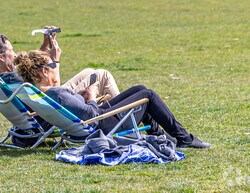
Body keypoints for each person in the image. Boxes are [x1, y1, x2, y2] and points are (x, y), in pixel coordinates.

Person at [14, 50, 210, 149]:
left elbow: (77, 110)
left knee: (140, 89)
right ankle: (184, 139)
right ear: (45, 71)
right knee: (148, 95)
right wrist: (90, 97)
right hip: (100, 124)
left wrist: (81, 97)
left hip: (95, 119)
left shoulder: (40, 92)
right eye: (52, 64)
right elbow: (91, 114)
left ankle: (159, 135)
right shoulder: (56, 93)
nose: (55, 67)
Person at [0, 31, 119, 100]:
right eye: (11, 50)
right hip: (57, 108)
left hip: (45, 105)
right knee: (102, 75)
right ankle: (123, 115)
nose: (15, 53)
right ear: (1, 56)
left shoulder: (3, 79)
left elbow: (33, 70)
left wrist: (45, 46)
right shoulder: (15, 80)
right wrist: (55, 60)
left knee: (88, 71)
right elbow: (56, 90)